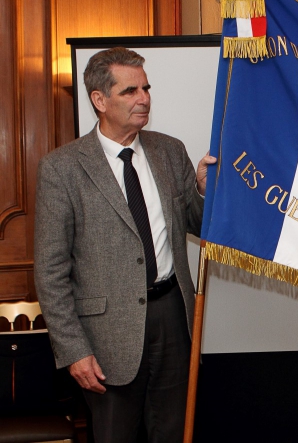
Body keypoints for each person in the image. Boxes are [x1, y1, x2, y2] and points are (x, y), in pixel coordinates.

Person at [34, 47, 216, 442]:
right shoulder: (62, 168)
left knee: (173, 432)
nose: (144, 98)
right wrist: (73, 349)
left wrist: (204, 191)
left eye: (146, 88)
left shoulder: (170, 150)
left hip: (172, 318)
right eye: (130, 90)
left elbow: (199, 225)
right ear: (99, 100)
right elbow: (50, 272)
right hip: (106, 336)